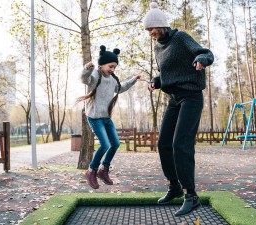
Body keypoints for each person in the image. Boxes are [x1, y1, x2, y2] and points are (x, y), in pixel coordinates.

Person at [143, 2, 214, 217]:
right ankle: (174, 186)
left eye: (152, 29)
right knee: (164, 143)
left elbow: (206, 53)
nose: (150, 34)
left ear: (161, 25)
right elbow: (167, 74)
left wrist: (201, 60)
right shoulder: (158, 47)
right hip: (174, 98)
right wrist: (157, 81)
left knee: (180, 143)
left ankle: (191, 195)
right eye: (147, 30)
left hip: (191, 96)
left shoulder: (181, 38)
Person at [77, 45, 140, 189]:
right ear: (102, 64)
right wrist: (87, 68)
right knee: (104, 144)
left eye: (114, 67)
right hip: (94, 117)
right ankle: (91, 171)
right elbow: (83, 79)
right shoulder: (94, 76)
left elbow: (121, 88)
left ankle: (103, 170)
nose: (112, 70)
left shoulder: (112, 80)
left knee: (116, 144)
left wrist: (134, 79)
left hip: (106, 117)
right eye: (110, 66)